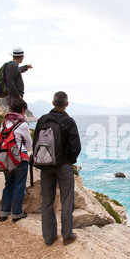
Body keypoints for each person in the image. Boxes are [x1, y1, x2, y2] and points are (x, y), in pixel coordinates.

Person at [33, 91, 81, 246]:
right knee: (67, 201)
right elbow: (76, 147)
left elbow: (35, 143)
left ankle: (49, 237)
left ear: (53, 103)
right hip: (64, 166)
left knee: (47, 201)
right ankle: (67, 235)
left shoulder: (42, 120)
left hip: (46, 166)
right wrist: (69, 160)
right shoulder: (69, 122)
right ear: (67, 104)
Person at [0, 98, 32, 223]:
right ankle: (17, 213)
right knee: (19, 185)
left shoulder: (4, 122)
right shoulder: (22, 124)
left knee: (8, 184)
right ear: (23, 110)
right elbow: (29, 144)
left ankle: (4, 213)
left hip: (6, 157)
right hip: (19, 157)